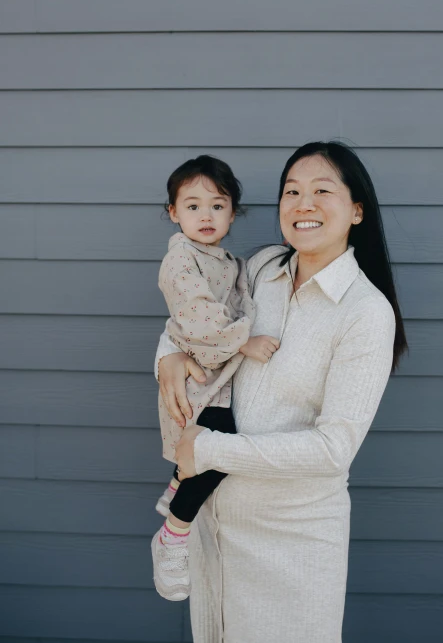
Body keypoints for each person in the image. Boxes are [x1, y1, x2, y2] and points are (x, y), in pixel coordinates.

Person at [155, 141, 408, 643]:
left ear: (356, 210)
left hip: (293, 545)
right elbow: (199, 318)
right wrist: (166, 355)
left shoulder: (365, 312)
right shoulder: (263, 267)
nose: (303, 203)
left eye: (321, 190)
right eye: (291, 191)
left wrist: (207, 448)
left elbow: (334, 449)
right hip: (214, 530)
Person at [152, 154, 280, 601]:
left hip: (216, 375)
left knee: (208, 450)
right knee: (212, 450)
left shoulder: (226, 259)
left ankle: (176, 487)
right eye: (192, 206)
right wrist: (245, 340)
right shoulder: (181, 261)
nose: (205, 215)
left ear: (232, 211)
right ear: (173, 212)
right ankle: (174, 532)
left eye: (217, 205)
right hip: (198, 378)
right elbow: (198, 317)